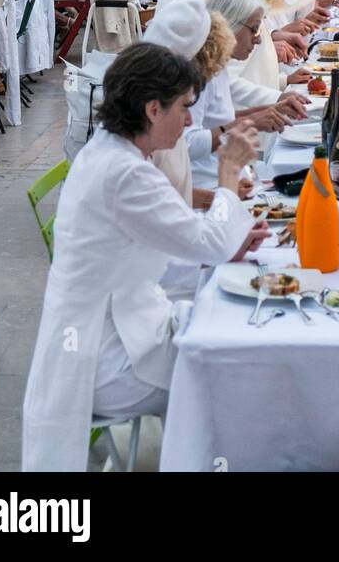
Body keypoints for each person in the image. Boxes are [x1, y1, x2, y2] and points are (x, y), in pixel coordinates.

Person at [22, 44, 267, 472]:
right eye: (184, 108)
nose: (190, 121)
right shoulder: (125, 171)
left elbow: (179, 235)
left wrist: (225, 239)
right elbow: (207, 242)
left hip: (119, 324)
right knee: (232, 371)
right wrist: (228, 171)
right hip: (107, 360)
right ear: (153, 109)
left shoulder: (111, 149)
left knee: (227, 342)